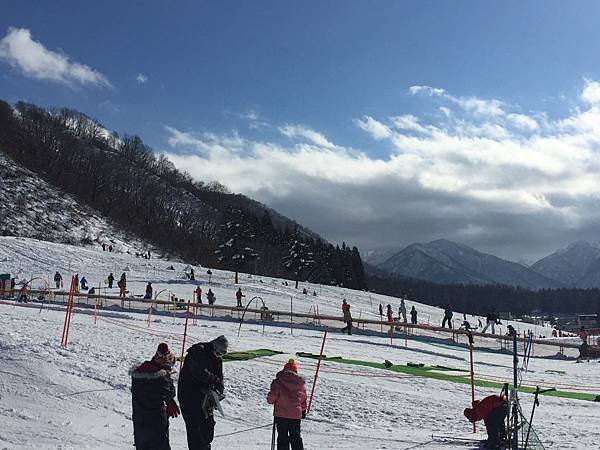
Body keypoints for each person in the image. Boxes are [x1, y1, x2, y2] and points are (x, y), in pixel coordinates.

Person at [178, 335, 229, 450]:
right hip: (189, 396)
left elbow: (219, 377)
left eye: (222, 354)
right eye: (219, 353)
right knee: (195, 428)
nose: (219, 356)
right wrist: (213, 379)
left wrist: (219, 387)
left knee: (208, 426)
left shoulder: (217, 358)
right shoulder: (198, 352)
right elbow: (199, 372)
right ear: (213, 347)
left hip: (205, 398)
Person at [130, 343, 180, 450]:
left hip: (140, 422)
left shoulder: (139, 373)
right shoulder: (161, 380)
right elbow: (169, 392)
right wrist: (167, 377)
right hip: (157, 423)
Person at [267, 359, 307, 450]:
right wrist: (303, 411)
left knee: (282, 437)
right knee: (295, 437)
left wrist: (270, 399)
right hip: (295, 415)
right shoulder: (300, 384)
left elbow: (272, 398)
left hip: (281, 415)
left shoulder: (277, 382)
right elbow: (303, 399)